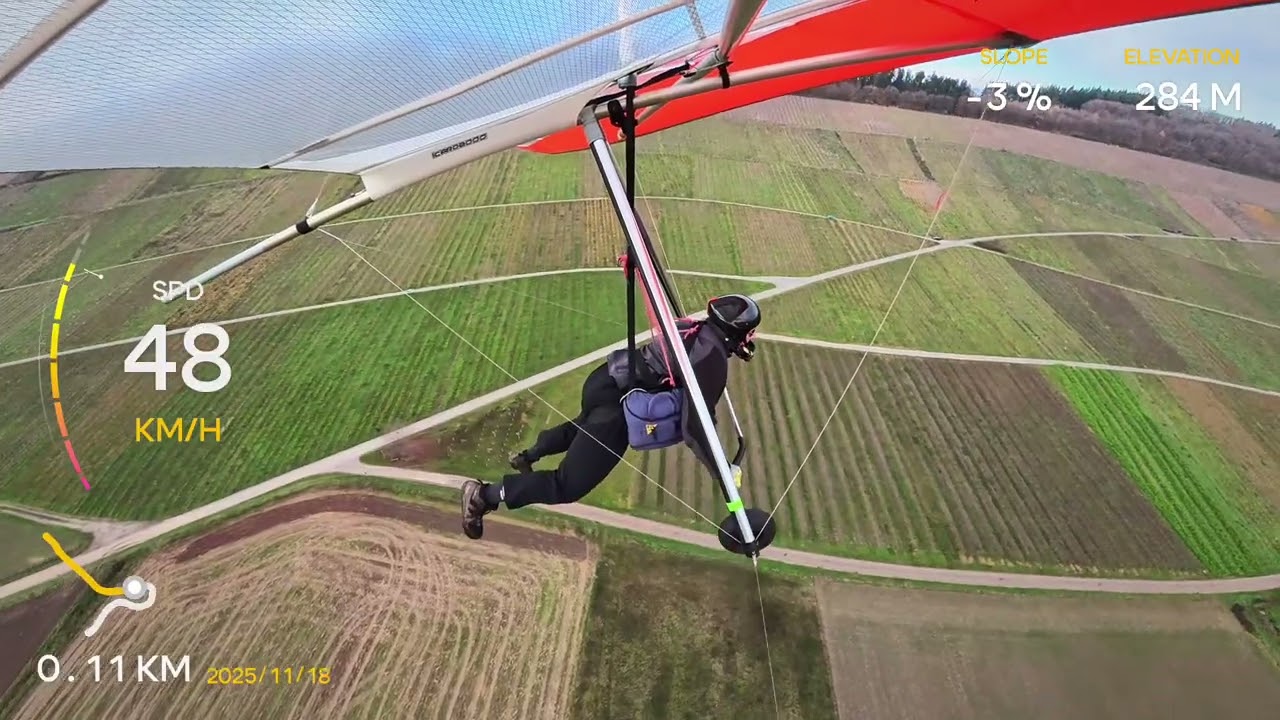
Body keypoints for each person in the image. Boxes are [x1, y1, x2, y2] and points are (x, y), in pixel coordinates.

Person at [461, 294, 761, 539]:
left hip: (603, 381)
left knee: (584, 426)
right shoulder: (713, 358)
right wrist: (722, 471)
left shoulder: (693, 327)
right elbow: (695, 425)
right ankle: (484, 495)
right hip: (617, 409)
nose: (753, 336)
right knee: (566, 485)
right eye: (751, 331)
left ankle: (530, 454)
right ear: (737, 331)